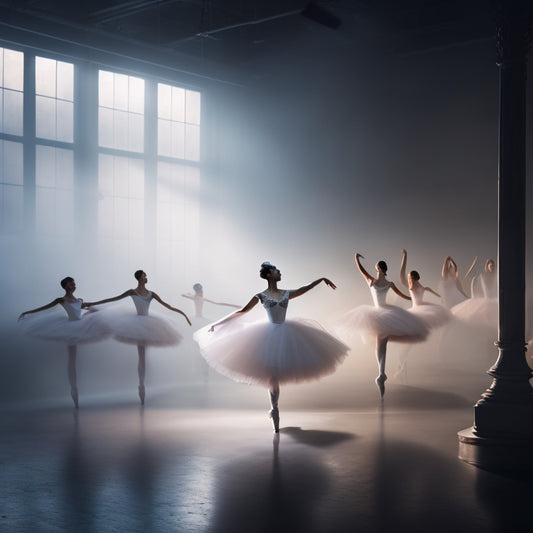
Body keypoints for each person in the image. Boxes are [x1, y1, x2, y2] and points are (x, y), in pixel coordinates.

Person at [193, 261, 349, 432]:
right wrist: (219, 323)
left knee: (275, 375)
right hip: (268, 336)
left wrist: (321, 279)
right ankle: (274, 409)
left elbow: (304, 288)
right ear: (269, 275)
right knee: (272, 377)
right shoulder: (260, 296)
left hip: (287, 334)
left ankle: (274, 409)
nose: (279, 272)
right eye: (276, 270)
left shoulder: (286, 293)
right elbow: (242, 311)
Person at [85, 270, 191, 405]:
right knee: (141, 354)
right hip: (137, 323)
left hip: (147, 323)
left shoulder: (151, 294)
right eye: (144, 275)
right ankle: (141, 385)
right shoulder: (132, 292)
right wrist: (92, 303)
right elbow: (113, 299)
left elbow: (167, 305)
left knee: (142, 355)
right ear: (140, 278)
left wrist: (183, 314)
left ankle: (142, 384)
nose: (146, 277)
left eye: (146, 275)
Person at [338, 253, 428, 398]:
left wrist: (412, 298)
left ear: (379, 268)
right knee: (381, 343)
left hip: (383, 314)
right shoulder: (376, 282)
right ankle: (381, 374)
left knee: (381, 342)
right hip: (380, 314)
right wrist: (356, 258)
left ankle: (381, 374)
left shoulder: (377, 282)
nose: (375, 269)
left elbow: (401, 294)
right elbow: (362, 270)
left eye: (376, 267)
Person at [18, 276, 110, 407]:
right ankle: (74, 389)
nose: (74, 286)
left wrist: (97, 310)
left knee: (75, 359)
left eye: (74, 284)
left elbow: (84, 308)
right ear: (66, 286)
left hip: (81, 325)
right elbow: (45, 307)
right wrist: (28, 312)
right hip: (71, 329)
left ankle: (76, 390)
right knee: (72, 360)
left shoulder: (79, 300)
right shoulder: (62, 300)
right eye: (71, 284)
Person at [396, 249, 452, 379]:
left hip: (416, 314)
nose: (408, 279)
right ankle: (402, 367)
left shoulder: (413, 287)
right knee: (406, 344)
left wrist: (405, 256)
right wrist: (441, 300)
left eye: (409, 277)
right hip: (421, 313)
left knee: (405, 344)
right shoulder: (423, 288)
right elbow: (437, 296)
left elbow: (401, 274)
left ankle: (402, 367)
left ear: (413, 278)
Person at [452, 258, 497, 328]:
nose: (492, 267)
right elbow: (474, 283)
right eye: (491, 266)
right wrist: (474, 297)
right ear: (487, 267)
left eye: (493, 266)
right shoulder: (483, 276)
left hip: (494, 300)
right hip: (487, 301)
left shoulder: (496, 277)